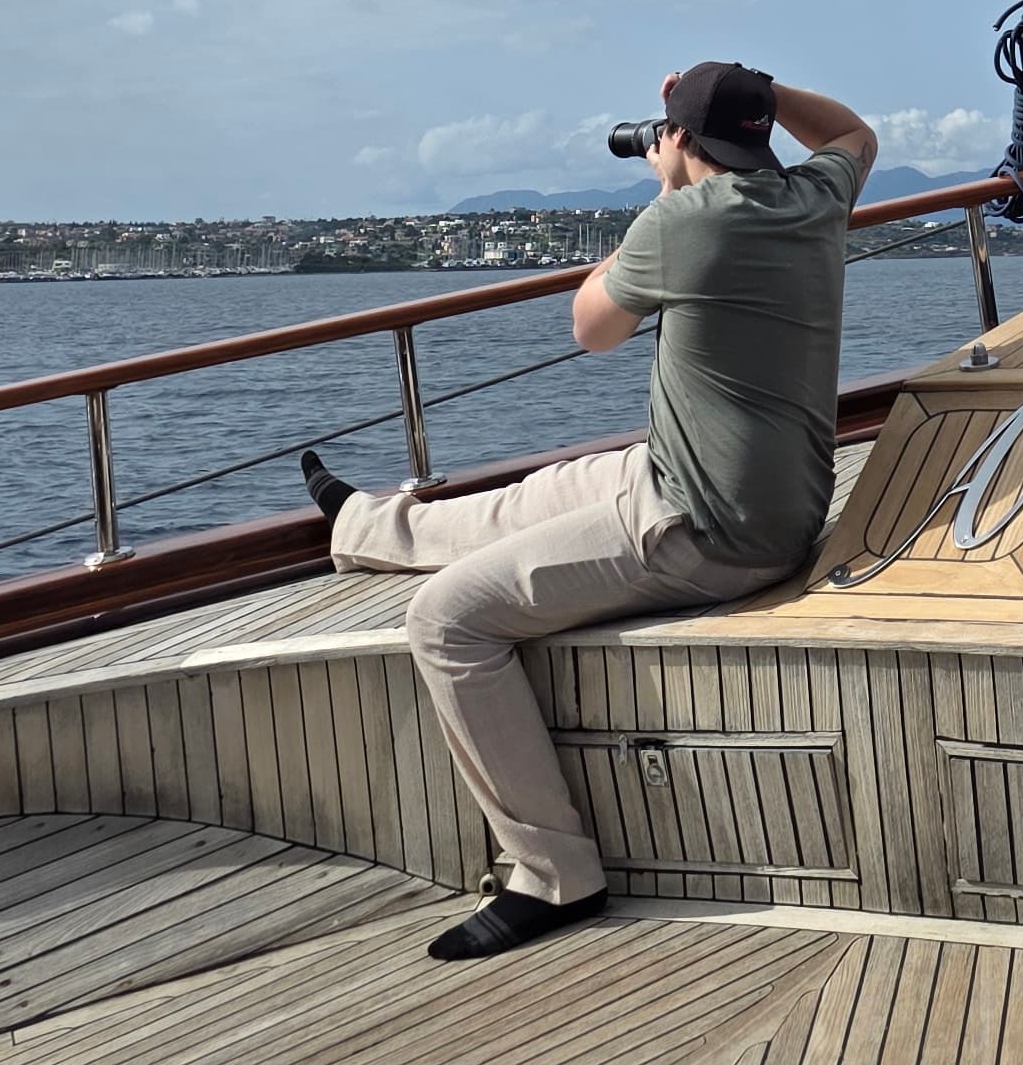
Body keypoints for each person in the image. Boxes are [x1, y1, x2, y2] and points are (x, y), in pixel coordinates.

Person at [303, 58, 876, 961]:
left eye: (669, 139)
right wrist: (756, 94)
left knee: (445, 619)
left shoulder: (684, 220)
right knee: (530, 501)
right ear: (764, 136)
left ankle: (551, 874)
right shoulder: (814, 194)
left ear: (678, 139)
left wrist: (660, 192)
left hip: (707, 533)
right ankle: (361, 526)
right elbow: (853, 133)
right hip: (752, 493)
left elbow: (591, 329)